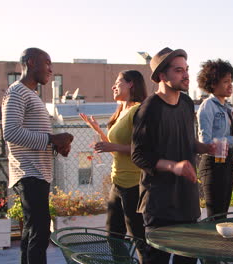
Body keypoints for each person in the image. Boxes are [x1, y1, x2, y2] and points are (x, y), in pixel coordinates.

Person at [131, 47, 213, 264]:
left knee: (187, 261)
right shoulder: (148, 109)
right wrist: (173, 166)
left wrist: (205, 147)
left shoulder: (187, 103)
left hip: (187, 202)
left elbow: (186, 142)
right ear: (161, 76)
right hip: (159, 205)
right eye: (178, 70)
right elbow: (138, 155)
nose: (186, 75)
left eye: (186, 69)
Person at [2, 48, 74, 264]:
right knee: (40, 232)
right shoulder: (17, 92)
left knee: (33, 232)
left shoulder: (30, 94)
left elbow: (34, 134)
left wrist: (57, 145)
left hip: (37, 173)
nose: (51, 70)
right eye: (47, 63)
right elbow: (11, 132)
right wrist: (52, 139)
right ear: (31, 62)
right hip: (28, 172)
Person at [79, 70, 147, 262]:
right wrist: (98, 131)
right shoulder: (121, 111)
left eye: (118, 82)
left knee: (138, 239)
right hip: (117, 182)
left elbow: (143, 148)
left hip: (133, 184)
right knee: (112, 236)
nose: (113, 86)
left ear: (131, 84)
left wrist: (112, 145)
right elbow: (115, 147)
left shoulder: (138, 110)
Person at [196, 59, 233, 218]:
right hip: (213, 166)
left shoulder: (226, 108)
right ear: (213, 84)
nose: (230, 86)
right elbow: (206, 142)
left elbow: (221, 137)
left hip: (226, 163)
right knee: (215, 215)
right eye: (225, 81)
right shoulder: (208, 106)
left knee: (223, 214)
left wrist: (232, 154)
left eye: (231, 81)